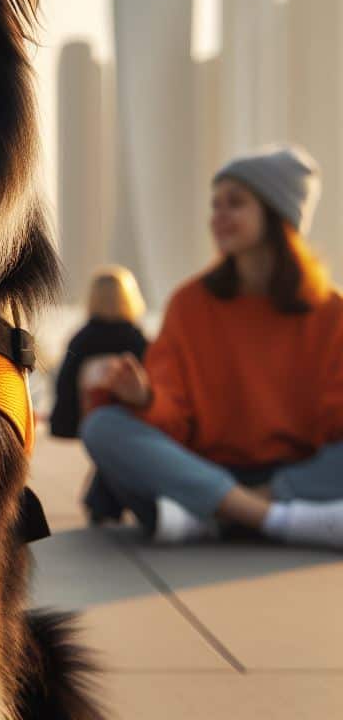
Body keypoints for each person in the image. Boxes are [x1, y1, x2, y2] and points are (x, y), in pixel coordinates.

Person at [81, 145, 343, 549]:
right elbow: (175, 414)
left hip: (292, 476)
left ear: (277, 215)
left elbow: (335, 424)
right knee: (103, 427)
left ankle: (219, 516)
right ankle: (275, 521)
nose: (218, 217)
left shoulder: (330, 312)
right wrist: (146, 397)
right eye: (215, 204)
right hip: (202, 469)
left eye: (235, 203)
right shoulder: (189, 305)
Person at [50, 265, 148, 439]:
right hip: (134, 430)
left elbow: (65, 387)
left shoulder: (81, 341)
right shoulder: (138, 342)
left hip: (83, 430)